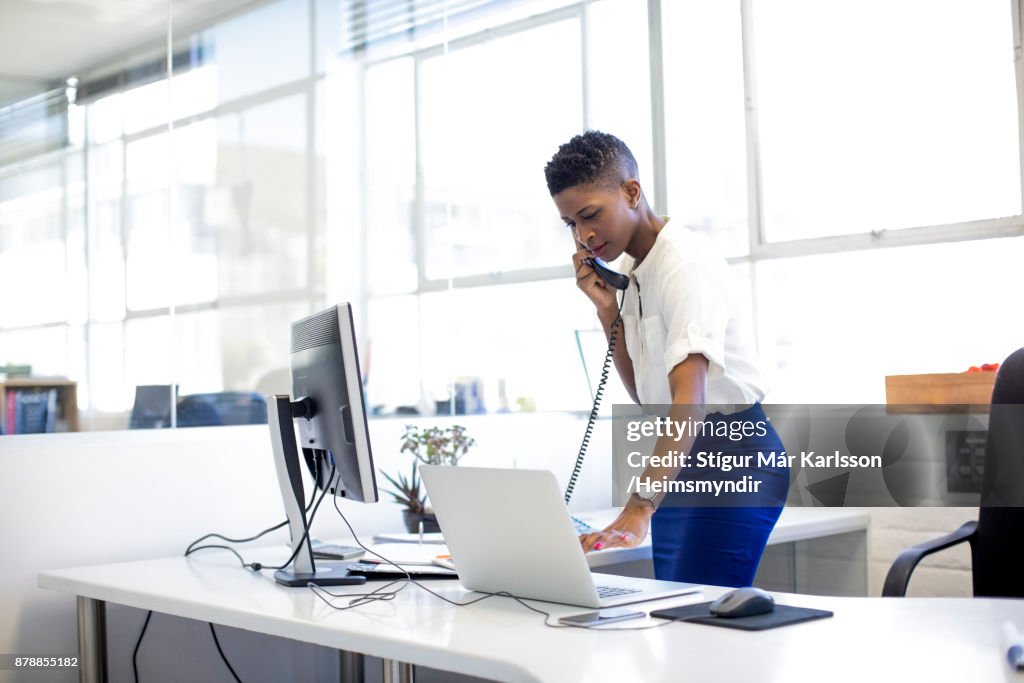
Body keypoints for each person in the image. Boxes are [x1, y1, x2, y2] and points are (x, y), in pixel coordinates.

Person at [543, 130, 789, 587]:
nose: (584, 234)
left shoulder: (683, 266)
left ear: (632, 192)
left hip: (733, 457)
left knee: (697, 619)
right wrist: (606, 311)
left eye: (590, 215)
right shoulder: (637, 270)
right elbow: (647, 395)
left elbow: (688, 401)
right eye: (571, 224)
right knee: (678, 618)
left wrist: (639, 505)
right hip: (684, 461)